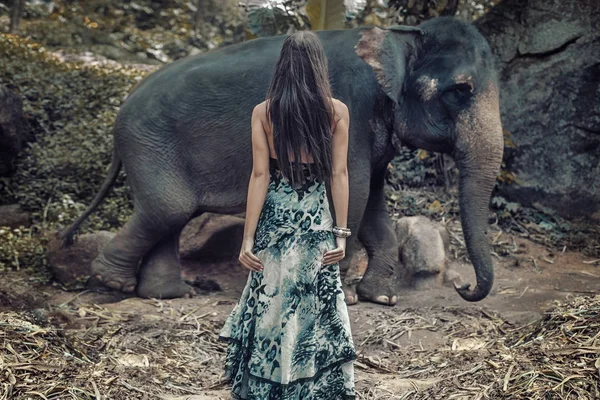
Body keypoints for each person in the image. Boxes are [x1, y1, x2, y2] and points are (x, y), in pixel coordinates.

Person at [218, 30, 356, 399]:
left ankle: (267, 386)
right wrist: (341, 233)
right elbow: (339, 175)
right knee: (316, 300)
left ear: (282, 66)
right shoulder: (336, 111)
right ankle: (315, 387)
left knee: (272, 300)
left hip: (276, 218)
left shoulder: (264, 113)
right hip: (315, 218)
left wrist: (247, 237)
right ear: (318, 65)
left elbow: (261, 175)